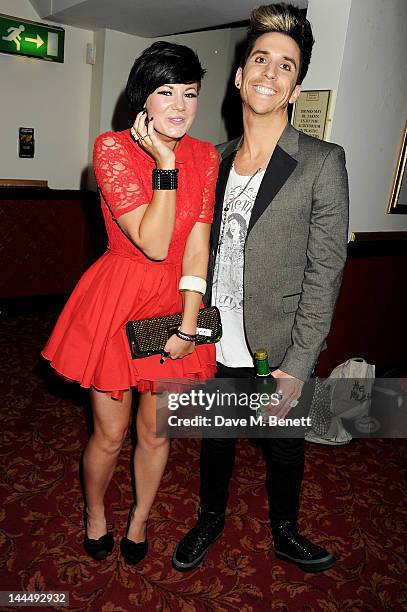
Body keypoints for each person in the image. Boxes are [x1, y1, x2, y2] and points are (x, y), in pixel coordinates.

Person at [172, 3, 349, 573]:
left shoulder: (322, 162)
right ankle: (209, 519)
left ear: (295, 88)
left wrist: (299, 364)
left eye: (287, 66)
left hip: (281, 340)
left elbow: (326, 271)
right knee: (217, 438)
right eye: (261, 60)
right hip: (216, 334)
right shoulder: (213, 161)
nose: (271, 73)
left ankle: (286, 532)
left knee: (284, 446)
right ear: (240, 74)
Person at [42, 41, 218, 564]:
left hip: (176, 302)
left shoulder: (207, 156)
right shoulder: (111, 148)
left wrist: (189, 327)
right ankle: (95, 512)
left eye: (190, 94)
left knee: (156, 432)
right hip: (119, 299)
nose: (180, 106)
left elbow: (196, 244)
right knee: (111, 433)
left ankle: (140, 519)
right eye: (166, 93)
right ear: (143, 98)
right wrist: (164, 161)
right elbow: (154, 241)